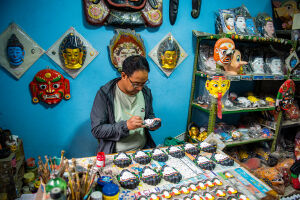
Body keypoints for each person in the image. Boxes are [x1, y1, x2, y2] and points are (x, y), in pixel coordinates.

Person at [90, 55, 161, 154]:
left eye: (144, 83)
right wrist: (126, 126)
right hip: (115, 153)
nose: (140, 88)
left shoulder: (146, 92)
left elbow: (149, 116)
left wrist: (152, 124)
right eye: (136, 84)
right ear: (124, 76)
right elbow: (97, 130)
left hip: (142, 150)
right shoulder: (105, 94)